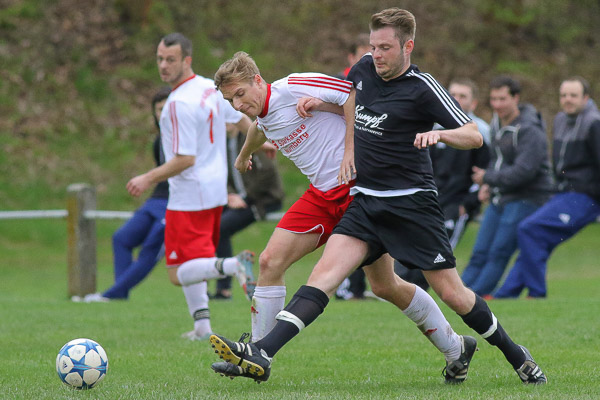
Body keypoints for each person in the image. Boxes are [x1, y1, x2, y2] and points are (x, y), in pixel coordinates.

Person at [209, 9, 546, 385]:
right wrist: (252, 150)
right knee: (312, 273)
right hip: (359, 199)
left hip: (407, 202)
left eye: (384, 47)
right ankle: (259, 353)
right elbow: (335, 104)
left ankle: (505, 353)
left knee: (443, 293)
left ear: (408, 46)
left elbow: (473, 135)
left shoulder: (420, 86)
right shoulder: (364, 71)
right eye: (372, 46)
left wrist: (438, 135)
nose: (375, 54)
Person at [126, 32, 255, 341]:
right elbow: (240, 118)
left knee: (177, 273)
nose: (163, 65)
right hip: (212, 193)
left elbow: (184, 159)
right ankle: (202, 327)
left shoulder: (177, 104)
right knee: (196, 264)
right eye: (160, 59)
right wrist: (255, 146)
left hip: (188, 197)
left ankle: (233, 265)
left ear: (186, 60)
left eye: (170, 60)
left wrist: (147, 177)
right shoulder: (208, 88)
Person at [494, 76, 600, 299]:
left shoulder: (594, 123)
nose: (567, 100)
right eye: (564, 95)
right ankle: (506, 294)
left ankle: (536, 293)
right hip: (562, 194)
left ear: (586, 98)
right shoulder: (561, 119)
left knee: (529, 229)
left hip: (585, 196)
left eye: (573, 95)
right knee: (536, 239)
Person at [74, 86, 172, 303]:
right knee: (122, 238)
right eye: (158, 109)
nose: (162, 113)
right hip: (156, 199)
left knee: (151, 247)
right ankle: (119, 296)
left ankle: (111, 295)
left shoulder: (187, 137)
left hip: (178, 202)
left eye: (167, 108)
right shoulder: (158, 142)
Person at [461, 75, 554, 297]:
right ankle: (458, 295)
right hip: (500, 195)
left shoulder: (530, 130)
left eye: (502, 99)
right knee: (480, 252)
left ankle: (477, 299)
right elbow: (497, 160)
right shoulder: (495, 123)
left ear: (516, 98)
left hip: (527, 197)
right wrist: (488, 185)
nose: (497, 105)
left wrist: (488, 178)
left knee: (498, 251)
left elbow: (524, 172)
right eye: (493, 99)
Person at [395, 78, 491, 291]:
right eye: (453, 94)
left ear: (473, 104)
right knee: (410, 242)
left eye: (463, 96)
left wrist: (469, 203)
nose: (456, 99)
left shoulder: (479, 133)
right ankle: (400, 289)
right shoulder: (433, 127)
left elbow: (484, 174)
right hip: (430, 199)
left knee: (437, 253)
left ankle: (419, 293)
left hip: (456, 204)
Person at [212, 132, 285, 300]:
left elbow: (267, 172)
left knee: (221, 228)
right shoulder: (220, 140)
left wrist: (244, 195)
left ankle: (224, 288)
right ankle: (205, 282)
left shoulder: (250, 137)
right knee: (209, 224)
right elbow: (218, 174)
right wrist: (230, 195)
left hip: (262, 200)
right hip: (237, 199)